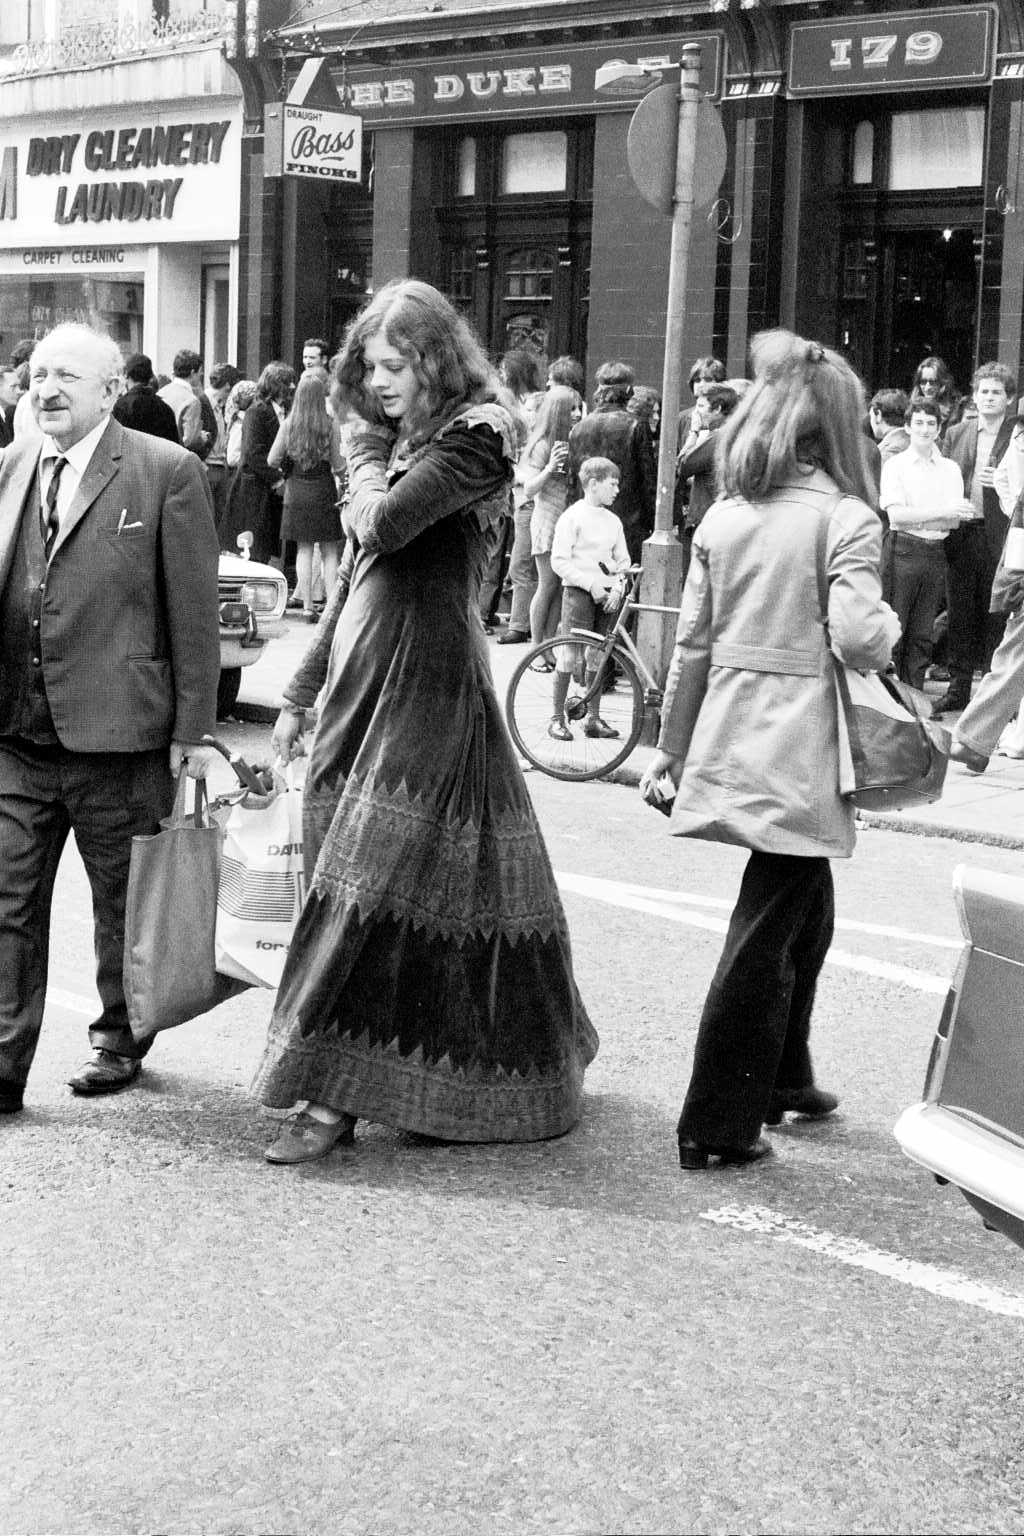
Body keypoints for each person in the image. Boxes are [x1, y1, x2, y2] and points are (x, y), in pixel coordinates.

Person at [252, 278, 597, 1164]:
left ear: (437, 360)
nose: (381, 379)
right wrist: (300, 689)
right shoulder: (405, 438)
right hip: (364, 677)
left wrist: (361, 454)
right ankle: (425, 1075)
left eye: (396, 364)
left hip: (429, 683)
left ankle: (327, 1098)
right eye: (370, 366)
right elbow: (364, 569)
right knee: (414, 887)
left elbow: (385, 523)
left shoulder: (480, 436)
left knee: (368, 891)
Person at [639, 330, 899, 1171]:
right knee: (767, 925)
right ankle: (716, 1122)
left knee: (803, 910)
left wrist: (668, 752)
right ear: (834, 431)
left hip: (733, 729)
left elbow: (694, 649)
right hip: (801, 741)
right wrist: (894, 628)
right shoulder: (846, 517)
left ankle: (785, 1077)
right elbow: (861, 640)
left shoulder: (725, 516)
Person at [0, 323, 219, 1114]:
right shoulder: (13, 464)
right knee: (7, 904)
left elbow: (193, 614)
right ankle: (3, 1066)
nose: (46, 389)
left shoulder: (166, 471)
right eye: (38, 374)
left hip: (119, 737)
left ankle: (119, 1038)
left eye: (66, 377)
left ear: (107, 392)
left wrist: (190, 733)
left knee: (121, 906)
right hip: (17, 737)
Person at [933, 362, 1018, 717]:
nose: (988, 398)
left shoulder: (1017, 433)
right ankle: (957, 688)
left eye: (996, 392)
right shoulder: (957, 432)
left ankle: (991, 694)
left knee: (995, 614)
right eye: (983, 391)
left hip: (1000, 537)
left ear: (1009, 398)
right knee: (960, 613)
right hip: (962, 533)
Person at [878, 398, 973, 689]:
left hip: (934, 553)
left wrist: (922, 517)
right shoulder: (896, 465)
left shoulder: (950, 469)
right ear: (907, 426)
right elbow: (896, 516)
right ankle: (889, 698)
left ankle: (914, 697)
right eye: (918, 422)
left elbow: (954, 522)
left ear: (939, 428)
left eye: (931, 423)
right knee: (895, 627)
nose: (924, 429)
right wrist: (941, 513)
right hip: (902, 551)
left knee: (922, 633)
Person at [548, 455, 631, 741]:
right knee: (570, 653)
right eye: (612, 484)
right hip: (579, 593)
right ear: (593, 484)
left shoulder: (613, 521)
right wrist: (590, 584)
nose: (617, 490)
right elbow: (559, 561)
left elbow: (623, 561)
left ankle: (593, 719)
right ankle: (557, 718)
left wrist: (618, 587)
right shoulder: (572, 517)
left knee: (598, 654)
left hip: (607, 596)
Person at [267, 371, 344, 621]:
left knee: (304, 549)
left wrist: (287, 469)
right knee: (330, 550)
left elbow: (271, 459)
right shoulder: (331, 423)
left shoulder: (289, 424)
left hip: (296, 491)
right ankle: (332, 606)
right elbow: (338, 463)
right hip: (323, 489)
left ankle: (308, 605)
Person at [565, 360, 656, 564]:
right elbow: (648, 481)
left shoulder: (579, 428)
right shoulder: (637, 426)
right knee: (624, 586)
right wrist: (654, 524)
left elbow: (572, 484)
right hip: (627, 523)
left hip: (587, 521)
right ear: (629, 391)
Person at [494, 348, 546, 644]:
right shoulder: (517, 403)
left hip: (525, 493)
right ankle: (519, 622)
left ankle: (519, 624)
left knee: (521, 563)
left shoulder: (528, 405)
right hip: (518, 492)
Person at [219, 361, 295, 564]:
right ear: (277, 385)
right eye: (289, 382)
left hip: (268, 492)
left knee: (265, 550)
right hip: (253, 490)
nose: (293, 387)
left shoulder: (283, 411)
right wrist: (278, 479)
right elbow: (253, 453)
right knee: (252, 551)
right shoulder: (257, 411)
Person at [522, 385, 579, 644]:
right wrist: (549, 468)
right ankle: (536, 645)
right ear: (559, 413)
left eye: (580, 408)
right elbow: (528, 488)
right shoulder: (542, 444)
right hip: (546, 520)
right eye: (573, 409)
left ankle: (548, 644)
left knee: (559, 589)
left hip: (567, 522)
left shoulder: (572, 441)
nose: (578, 414)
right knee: (547, 585)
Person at [674, 382, 739, 579]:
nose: (696, 412)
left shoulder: (718, 437)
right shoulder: (736, 433)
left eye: (701, 407)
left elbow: (683, 465)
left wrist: (693, 433)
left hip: (706, 517)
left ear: (718, 409)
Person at [204, 362, 242, 531]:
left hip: (220, 468)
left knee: (218, 518)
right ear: (228, 386)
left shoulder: (221, 406)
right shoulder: (201, 402)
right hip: (207, 467)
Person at [112, 353, 180, 444]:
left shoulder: (120, 407)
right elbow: (174, 446)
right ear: (150, 376)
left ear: (126, 375)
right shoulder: (165, 408)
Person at [157, 348, 212, 459]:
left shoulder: (160, 393)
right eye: (200, 372)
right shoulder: (192, 401)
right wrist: (202, 438)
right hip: (178, 459)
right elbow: (190, 441)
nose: (201, 375)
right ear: (192, 372)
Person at [909, 355, 964, 438]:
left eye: (933, 382)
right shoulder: (912, 405)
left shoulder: (955, 408)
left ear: (943, 382)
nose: (927, 387)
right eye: (923, 382)